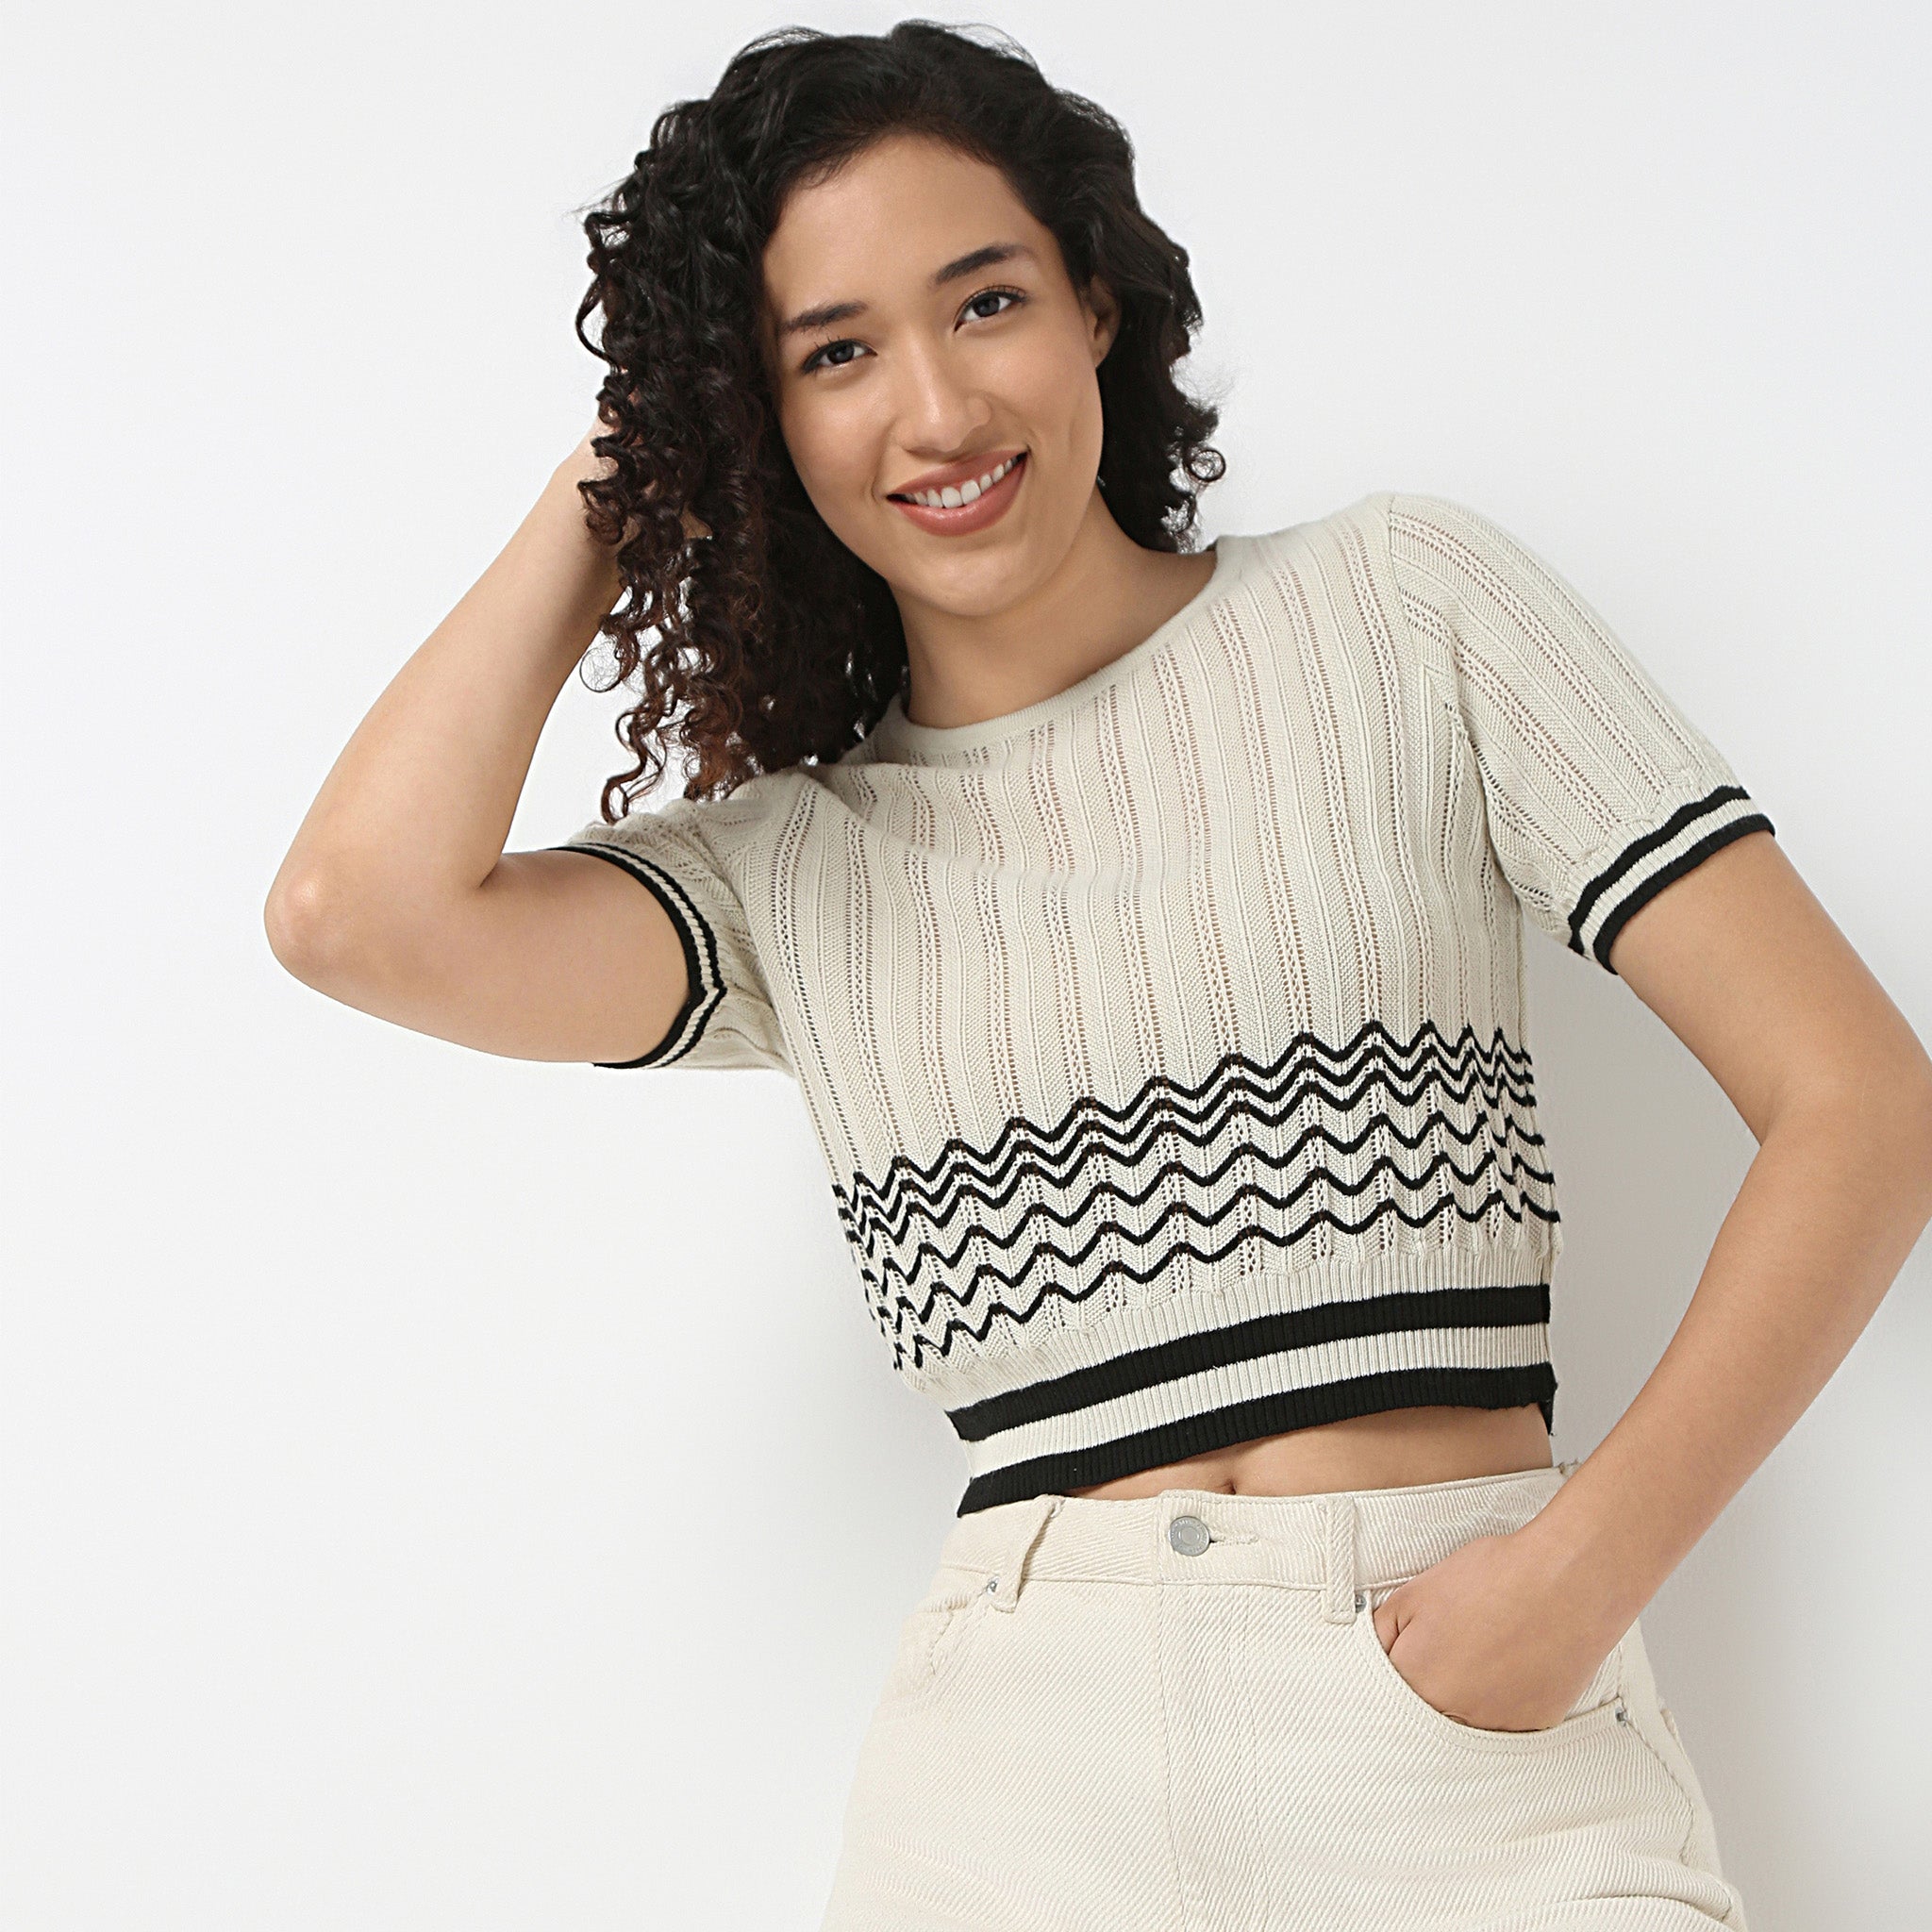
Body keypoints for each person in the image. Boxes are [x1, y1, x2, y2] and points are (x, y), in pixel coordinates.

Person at [263, 21, 1932, 1928]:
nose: (936, 407)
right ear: (761, 420)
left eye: (984, 301)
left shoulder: (1401, 609)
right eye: (832, 354)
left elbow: (1858, 1099)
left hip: (1462, 1733)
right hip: (1012, 1788)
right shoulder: (790, 872)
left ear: (1096, 312)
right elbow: (352, 916)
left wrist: (1578, 1573)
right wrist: (624, 474)